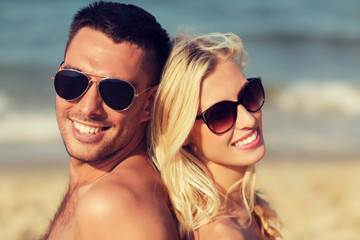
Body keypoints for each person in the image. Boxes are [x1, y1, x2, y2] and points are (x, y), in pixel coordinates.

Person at [42, 1, 178, 239]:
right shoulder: (101, 187)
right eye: (73, 80)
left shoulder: (114, 205)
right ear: (60, 71)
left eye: (116, 92)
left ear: (149, 103)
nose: (88, 107)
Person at [149, 32, 282, 240]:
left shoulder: (244, 205)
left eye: (250, 95)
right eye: (221, 114)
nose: (248, 120)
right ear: (183, 134)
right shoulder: (221, 232)